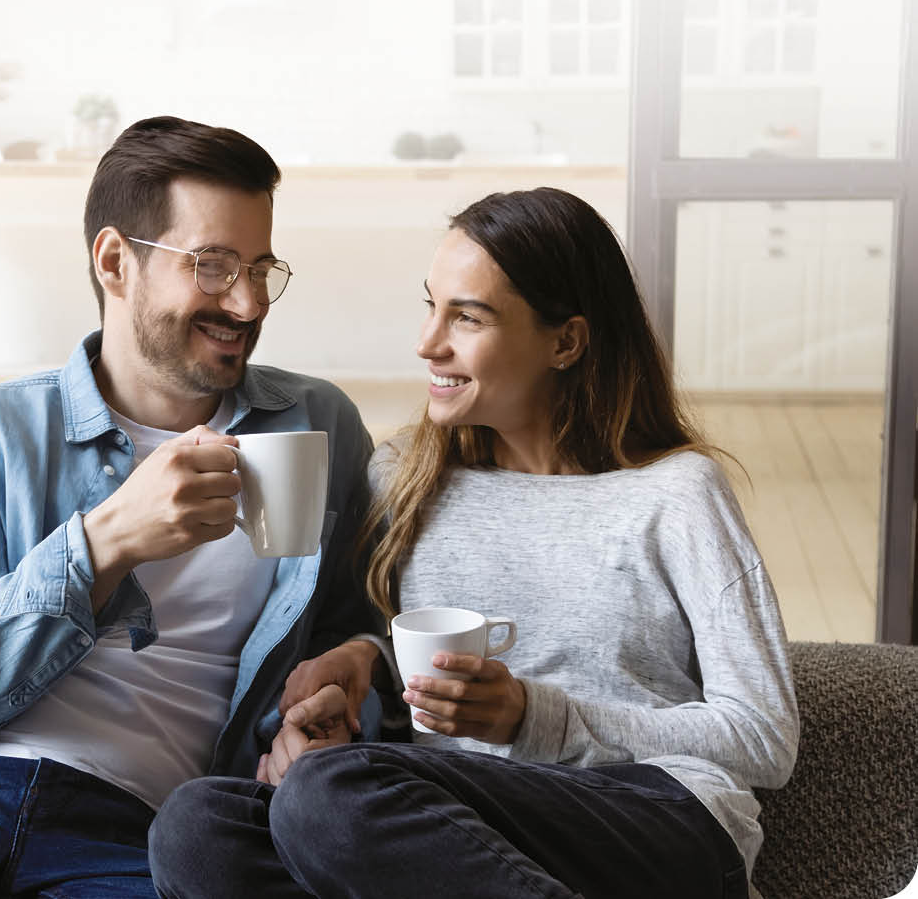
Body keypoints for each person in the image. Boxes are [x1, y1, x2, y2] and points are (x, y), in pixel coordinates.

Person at [0, 116, 376, 899]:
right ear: (115, 261)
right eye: (214, 266)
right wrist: (106, 541)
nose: (249, 301)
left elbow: (354, 630)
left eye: (261, 268)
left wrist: (340, 686)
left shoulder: (315, 423)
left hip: (133, 827)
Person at [149, 186, 799, 899]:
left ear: (565, 342)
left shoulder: (677, 493)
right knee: (198, 825)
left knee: (326, 794)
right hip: (467, 841)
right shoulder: (405, 480)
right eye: (431, 307)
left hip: (659, 815)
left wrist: (534, 717)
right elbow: (412, 706)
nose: (428, 343)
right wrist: (360, 677)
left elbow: (764, 738)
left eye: (466, 316)